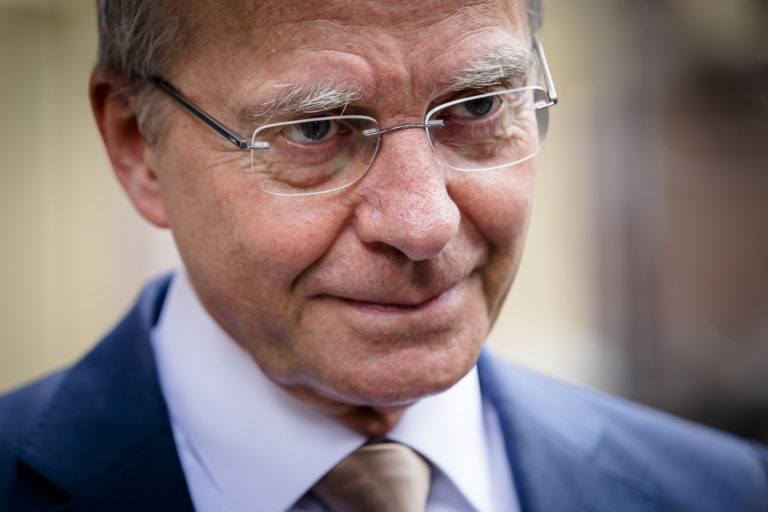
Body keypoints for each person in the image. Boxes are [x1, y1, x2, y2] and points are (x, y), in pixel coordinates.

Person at [1, 0, 766, 510]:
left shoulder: (721, 493)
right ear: (138, 146)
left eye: (477, 107)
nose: (424, 223)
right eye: (315, 130)